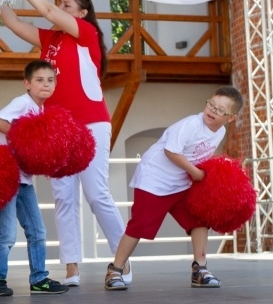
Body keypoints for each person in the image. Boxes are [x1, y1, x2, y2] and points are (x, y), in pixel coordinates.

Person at [0, 0, 127, 286]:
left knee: (97, 194)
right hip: (57, 128)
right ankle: (72, 268)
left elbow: (46, 10)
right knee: (64, 198)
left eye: (68, 5)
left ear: (82, 13)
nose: (61, 7)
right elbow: (12, 22)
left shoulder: (86, 33)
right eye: (62, 3)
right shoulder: (50, 38)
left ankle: (122, 261)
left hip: (91, 123)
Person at [104, 87, 243, 290]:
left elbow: (200, 156)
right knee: (139, 225)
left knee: (199, 221)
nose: (212, 110)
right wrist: (195, 173)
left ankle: (200, 269)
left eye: (220, 110)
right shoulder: (190, 125)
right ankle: (115, 270)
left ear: (231, 118)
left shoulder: (219, 132)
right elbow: (171, 151)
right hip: (154, 180)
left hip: (181, 183)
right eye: (211, 104)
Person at [0, 60, 69, 297]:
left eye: (50, 80)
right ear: (27, 84)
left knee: (37, 230)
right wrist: (23, 138)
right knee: (8, 232)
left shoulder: (40, 110)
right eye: (40, 80)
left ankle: (39, 278)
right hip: (6, 176)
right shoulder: (22, 103)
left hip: (24, 180)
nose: (46, 84)